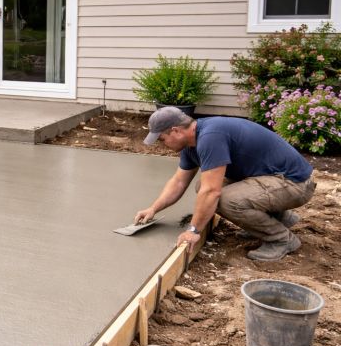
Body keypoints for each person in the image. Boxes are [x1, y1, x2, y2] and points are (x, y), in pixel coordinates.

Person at [135, 106, 315, 262]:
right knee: (202, 187)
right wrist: (153, 208)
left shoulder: (211, 137)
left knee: (224, 199)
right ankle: (279, 218)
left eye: (162, 139)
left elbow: (212, 192)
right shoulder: (192, 143)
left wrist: (194, 230)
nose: (162, 144)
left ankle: (281, 239)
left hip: (295, 183)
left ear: (175, 131)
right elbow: (179, 181)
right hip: (271, 178)